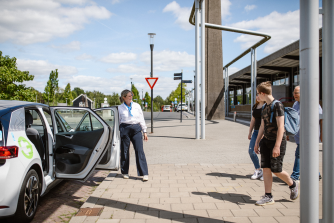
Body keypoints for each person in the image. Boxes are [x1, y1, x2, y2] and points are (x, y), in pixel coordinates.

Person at [254, 81, 299, 206]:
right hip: (266, 142)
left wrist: (277, 146)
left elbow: (281, 127)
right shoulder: (264, 107)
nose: (257, 96)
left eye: (258, 94)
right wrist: (257, 142)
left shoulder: (277, 105)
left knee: (276, 170)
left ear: (263, 93)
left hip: (277, 142)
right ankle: (268, 196)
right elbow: (262, 126)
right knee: (266, 168)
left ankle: (293, 184)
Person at [288, 86, 323, 181]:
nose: (294, 95)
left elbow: (321, 119)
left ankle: (295, 176)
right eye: (294, 92)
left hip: (310, 136)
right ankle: (317, 173)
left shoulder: (312, 103)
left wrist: (322, 135)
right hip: (299, 136)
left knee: (299, 154)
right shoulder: (295, 104)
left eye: (297, 93)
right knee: (309, 155)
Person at [118, 89, 149, 181]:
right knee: (124, 151)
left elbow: (141, 119)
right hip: (125, 129)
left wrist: (145, 131)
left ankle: (144, 173)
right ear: (124, 98)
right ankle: (125, 172)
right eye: (129, 96)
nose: (131, 97)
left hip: (136, 129)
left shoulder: (137, 106)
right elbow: (118, 121)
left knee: (139, 151)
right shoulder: (120, 108)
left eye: (131, 95)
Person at [248, 95, 265, 180]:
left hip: (265, 132)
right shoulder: (255, 106)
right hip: (256, 132)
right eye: (256, 95)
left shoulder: (266, 106)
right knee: (251, 151)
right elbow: (253, 120)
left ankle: (266, 173)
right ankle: (258, 169)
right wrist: (250, 132)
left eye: (259, 95)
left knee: (264, 153)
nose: (257, 96)